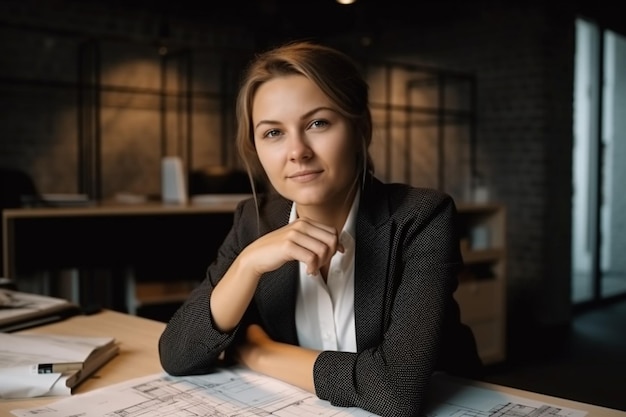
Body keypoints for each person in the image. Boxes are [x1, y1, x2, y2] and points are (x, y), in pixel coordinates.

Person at [158, 40, 483, 417]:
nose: (297, 151)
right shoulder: (254, 220)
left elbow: (396, 391)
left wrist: (260, 352)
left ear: (360, 127)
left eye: (318, 123)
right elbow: (175, 354)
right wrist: (248, 264)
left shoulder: (422, 217)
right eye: (273, 133)